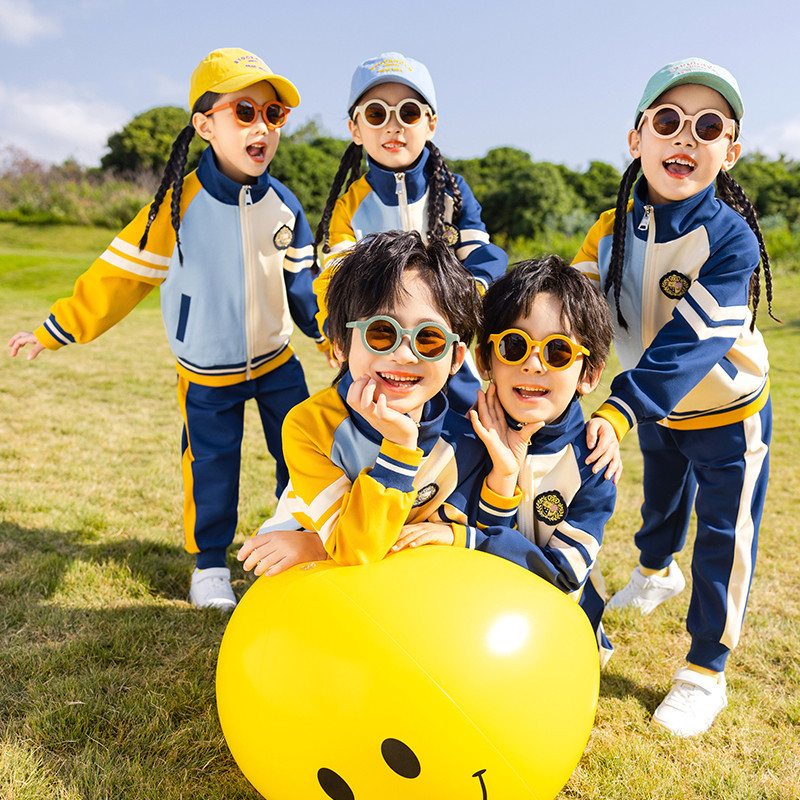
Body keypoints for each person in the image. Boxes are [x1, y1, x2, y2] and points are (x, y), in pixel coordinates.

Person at [8, 48, 327, 611]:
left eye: (274, 114)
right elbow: (119, 276)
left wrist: (330, 337)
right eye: (245, 112)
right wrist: (55, 330)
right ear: (205, 126)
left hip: (279, 361)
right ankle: (210, 567)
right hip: (207, 373)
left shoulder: (285, 204)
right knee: (211, 468)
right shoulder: (177, 205)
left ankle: (292, 548)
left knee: (302, 455)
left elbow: (304, 285)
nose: (262, 126)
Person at [573, 57, 775, 736]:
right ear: (637, 138)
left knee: (723, 536)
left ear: (730, 152)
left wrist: (620, 407)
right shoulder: (609, 228)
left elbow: (691, 344)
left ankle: (705, 671)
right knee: (659, 502)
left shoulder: (732, 239)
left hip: (727, 412)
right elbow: (569, 305)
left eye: (708, 126)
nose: (686, 136)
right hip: (655, 407)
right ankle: (657, 572)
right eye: (668, 120)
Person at [237, 229, 521, 573]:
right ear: (340, 345)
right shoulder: (311, 427)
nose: (404, 355)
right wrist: (399, 448)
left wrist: (503, 476)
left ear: (456, 358)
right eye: (382, 332)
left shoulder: (463, 442)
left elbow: (484, 549)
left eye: (428, 338)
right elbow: (356, 548)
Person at [311, 52, 507, 415]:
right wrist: (334, 330)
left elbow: (483, 256)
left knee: (470, 429)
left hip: (440, 348)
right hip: (377, 353)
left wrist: (467, 298)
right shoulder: (349, 205)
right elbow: (332, 279)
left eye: (409, 112)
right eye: (376, 114)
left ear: (430, 124)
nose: (393, 126)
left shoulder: (453, 192)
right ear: (355, 129)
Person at [459, 257, 617, 666]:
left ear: (589, 374)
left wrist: (468, 540)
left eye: (558, 351)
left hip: (556, 637)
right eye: (514, 345)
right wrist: (502, 476)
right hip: (468, 625)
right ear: (485, 360)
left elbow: (563, 576)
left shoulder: (593, 464)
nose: (532, 363)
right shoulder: (462, 439)